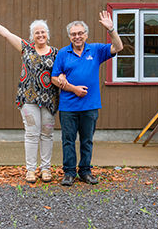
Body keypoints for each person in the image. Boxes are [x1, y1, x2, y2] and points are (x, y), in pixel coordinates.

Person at [0, 15, 59, 183]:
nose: (40, 35)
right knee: (32, 134)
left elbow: (63, 72)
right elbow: (7, 34)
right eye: (37, 33)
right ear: (32, 35)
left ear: (48, 34)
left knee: (47, 134)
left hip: (49, 100)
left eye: (43, 32)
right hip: (28, 99)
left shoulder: (56, 53)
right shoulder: (26, 47)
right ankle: (31, 170)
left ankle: (46, 169)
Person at [51, 10, 123, 186]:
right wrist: (73, 89)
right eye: (74, 34)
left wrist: (112, 29)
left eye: (80, 33)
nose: (77, 37)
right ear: (69, 36)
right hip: (68, 106)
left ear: (86, 35)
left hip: (90, 105)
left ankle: (85, 171)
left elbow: (118, 47)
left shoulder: (96, 50)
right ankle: (69, 172)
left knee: (87, 139)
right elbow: (54, 78)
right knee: (68, 140)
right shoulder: (63, 53)